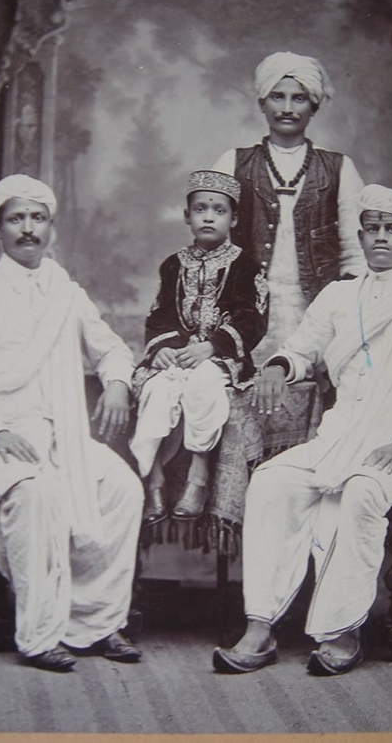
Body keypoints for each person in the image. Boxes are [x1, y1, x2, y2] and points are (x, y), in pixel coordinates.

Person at [212, 184, 392, 676]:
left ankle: (341, 631)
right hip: (337, 440)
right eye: (372, 230)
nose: (381, 238)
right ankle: (260, 626)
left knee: (360, 491)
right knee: (272, 481)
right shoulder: (339, 296)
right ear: (360, 236)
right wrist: (278, 366)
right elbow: (301, 348)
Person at [0, 174, 144, 673]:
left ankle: (98, 623)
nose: (28, 229)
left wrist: (116, 382)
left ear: (51, 226)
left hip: (63, 436)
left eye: (37, 218)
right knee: (37, 494)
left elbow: (112, 347)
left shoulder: (67, 293)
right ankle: (40, 635)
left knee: (122, 489)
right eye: (16, 218)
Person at [130, 170, 268, 525]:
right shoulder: (173, 265)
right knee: (157, 389)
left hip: (220, 358)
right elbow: (159, 316)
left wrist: (212, 347)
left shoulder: (245, 266)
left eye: (219, 210)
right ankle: (154, 480)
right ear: (187, 216)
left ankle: (198, 474)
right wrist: (162, 348)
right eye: (201, 209)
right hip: (178, 354)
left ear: (234, 218)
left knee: (203, 384)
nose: (209, 216)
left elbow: (252, 319)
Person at [213, 51, 366, 359]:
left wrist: (345, 317)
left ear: (314, 105)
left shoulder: (339, 169)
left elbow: (355, 254)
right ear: (261, 103)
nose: (286, 108)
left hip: (318, 318)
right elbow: (211, 246)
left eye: (298, 99)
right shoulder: (232, 163)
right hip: (244, 317)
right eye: (277, 97)